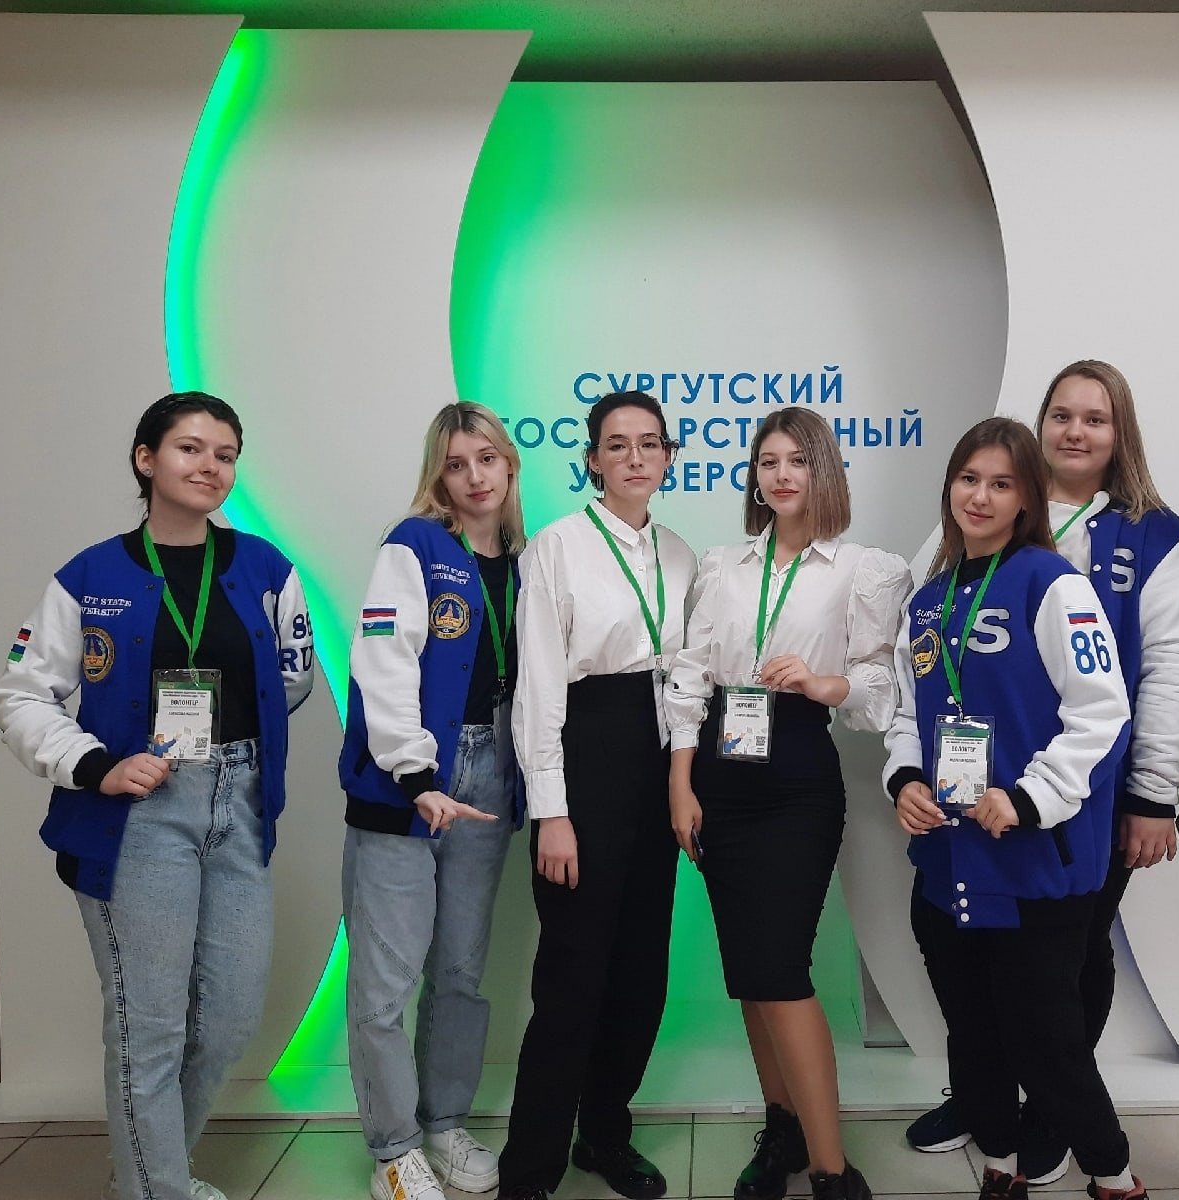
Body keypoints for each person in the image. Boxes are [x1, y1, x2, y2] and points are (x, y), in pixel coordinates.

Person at [0, 392, 313, 1200]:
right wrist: (97, 763)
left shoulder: (266, 568)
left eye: (226, 455)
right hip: (135, 817)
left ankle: (147, 1171)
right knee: (150, 1027)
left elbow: (292, 678)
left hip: (239, 804)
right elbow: (22, 697)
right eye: (190, 449)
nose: (211, 467)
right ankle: (158, 1187)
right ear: (146, 458)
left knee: (230, 1018)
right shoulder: (89, 575)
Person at [904, 362, 1179, 1188]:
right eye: (1061, 415)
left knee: (1051, 1005)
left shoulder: (1096, 560)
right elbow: (908, 702)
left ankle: (1074, 1134)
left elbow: (1144, 686)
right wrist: (904, 779)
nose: (1075, 431)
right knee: (976, 1010)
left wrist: (1143, 795)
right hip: (958, 833)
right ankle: (995, 1134)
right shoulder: (937, 586)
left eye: (1094, 418)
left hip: (1061, 822)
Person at [665, 409, 909, 1200]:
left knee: (778, 967)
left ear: (822, 470)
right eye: (767, 461)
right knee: (750, 970)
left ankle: (833, 1169)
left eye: (796, 460)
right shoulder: (724, 566)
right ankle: (783, 1131)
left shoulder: (861, 570)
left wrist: (822, 681)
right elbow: (690, 679)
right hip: (719, 775)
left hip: (798, 774)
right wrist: (680, 783)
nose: (780, 474)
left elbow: (880, 688)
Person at [499, 391, 699, 1200]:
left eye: (650, 443)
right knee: (572, 978)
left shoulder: (681, 554)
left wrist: (684, 776)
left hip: (661, 763)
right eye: (617, 445)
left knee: (641, 971)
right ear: (592, 459)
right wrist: (552, 811)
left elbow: (688, 674)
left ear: (669, 456)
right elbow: (539, 689)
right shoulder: (557, 547)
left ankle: (604, 1134)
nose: (635, 457)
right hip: (587, 754)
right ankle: (529, 1170)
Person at [337, 402, 526, 1200]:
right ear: (437, 476)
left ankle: (444, 1122)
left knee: (459, 972)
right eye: (456, 463)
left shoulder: (525, 562)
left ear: (510, 465)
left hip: (490, 776)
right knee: (385, 985)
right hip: (407, 786)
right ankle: (394, 1147)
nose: (475, 476)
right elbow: (383, 662)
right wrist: (417, 778)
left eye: (486, 458)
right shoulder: (413, 546)